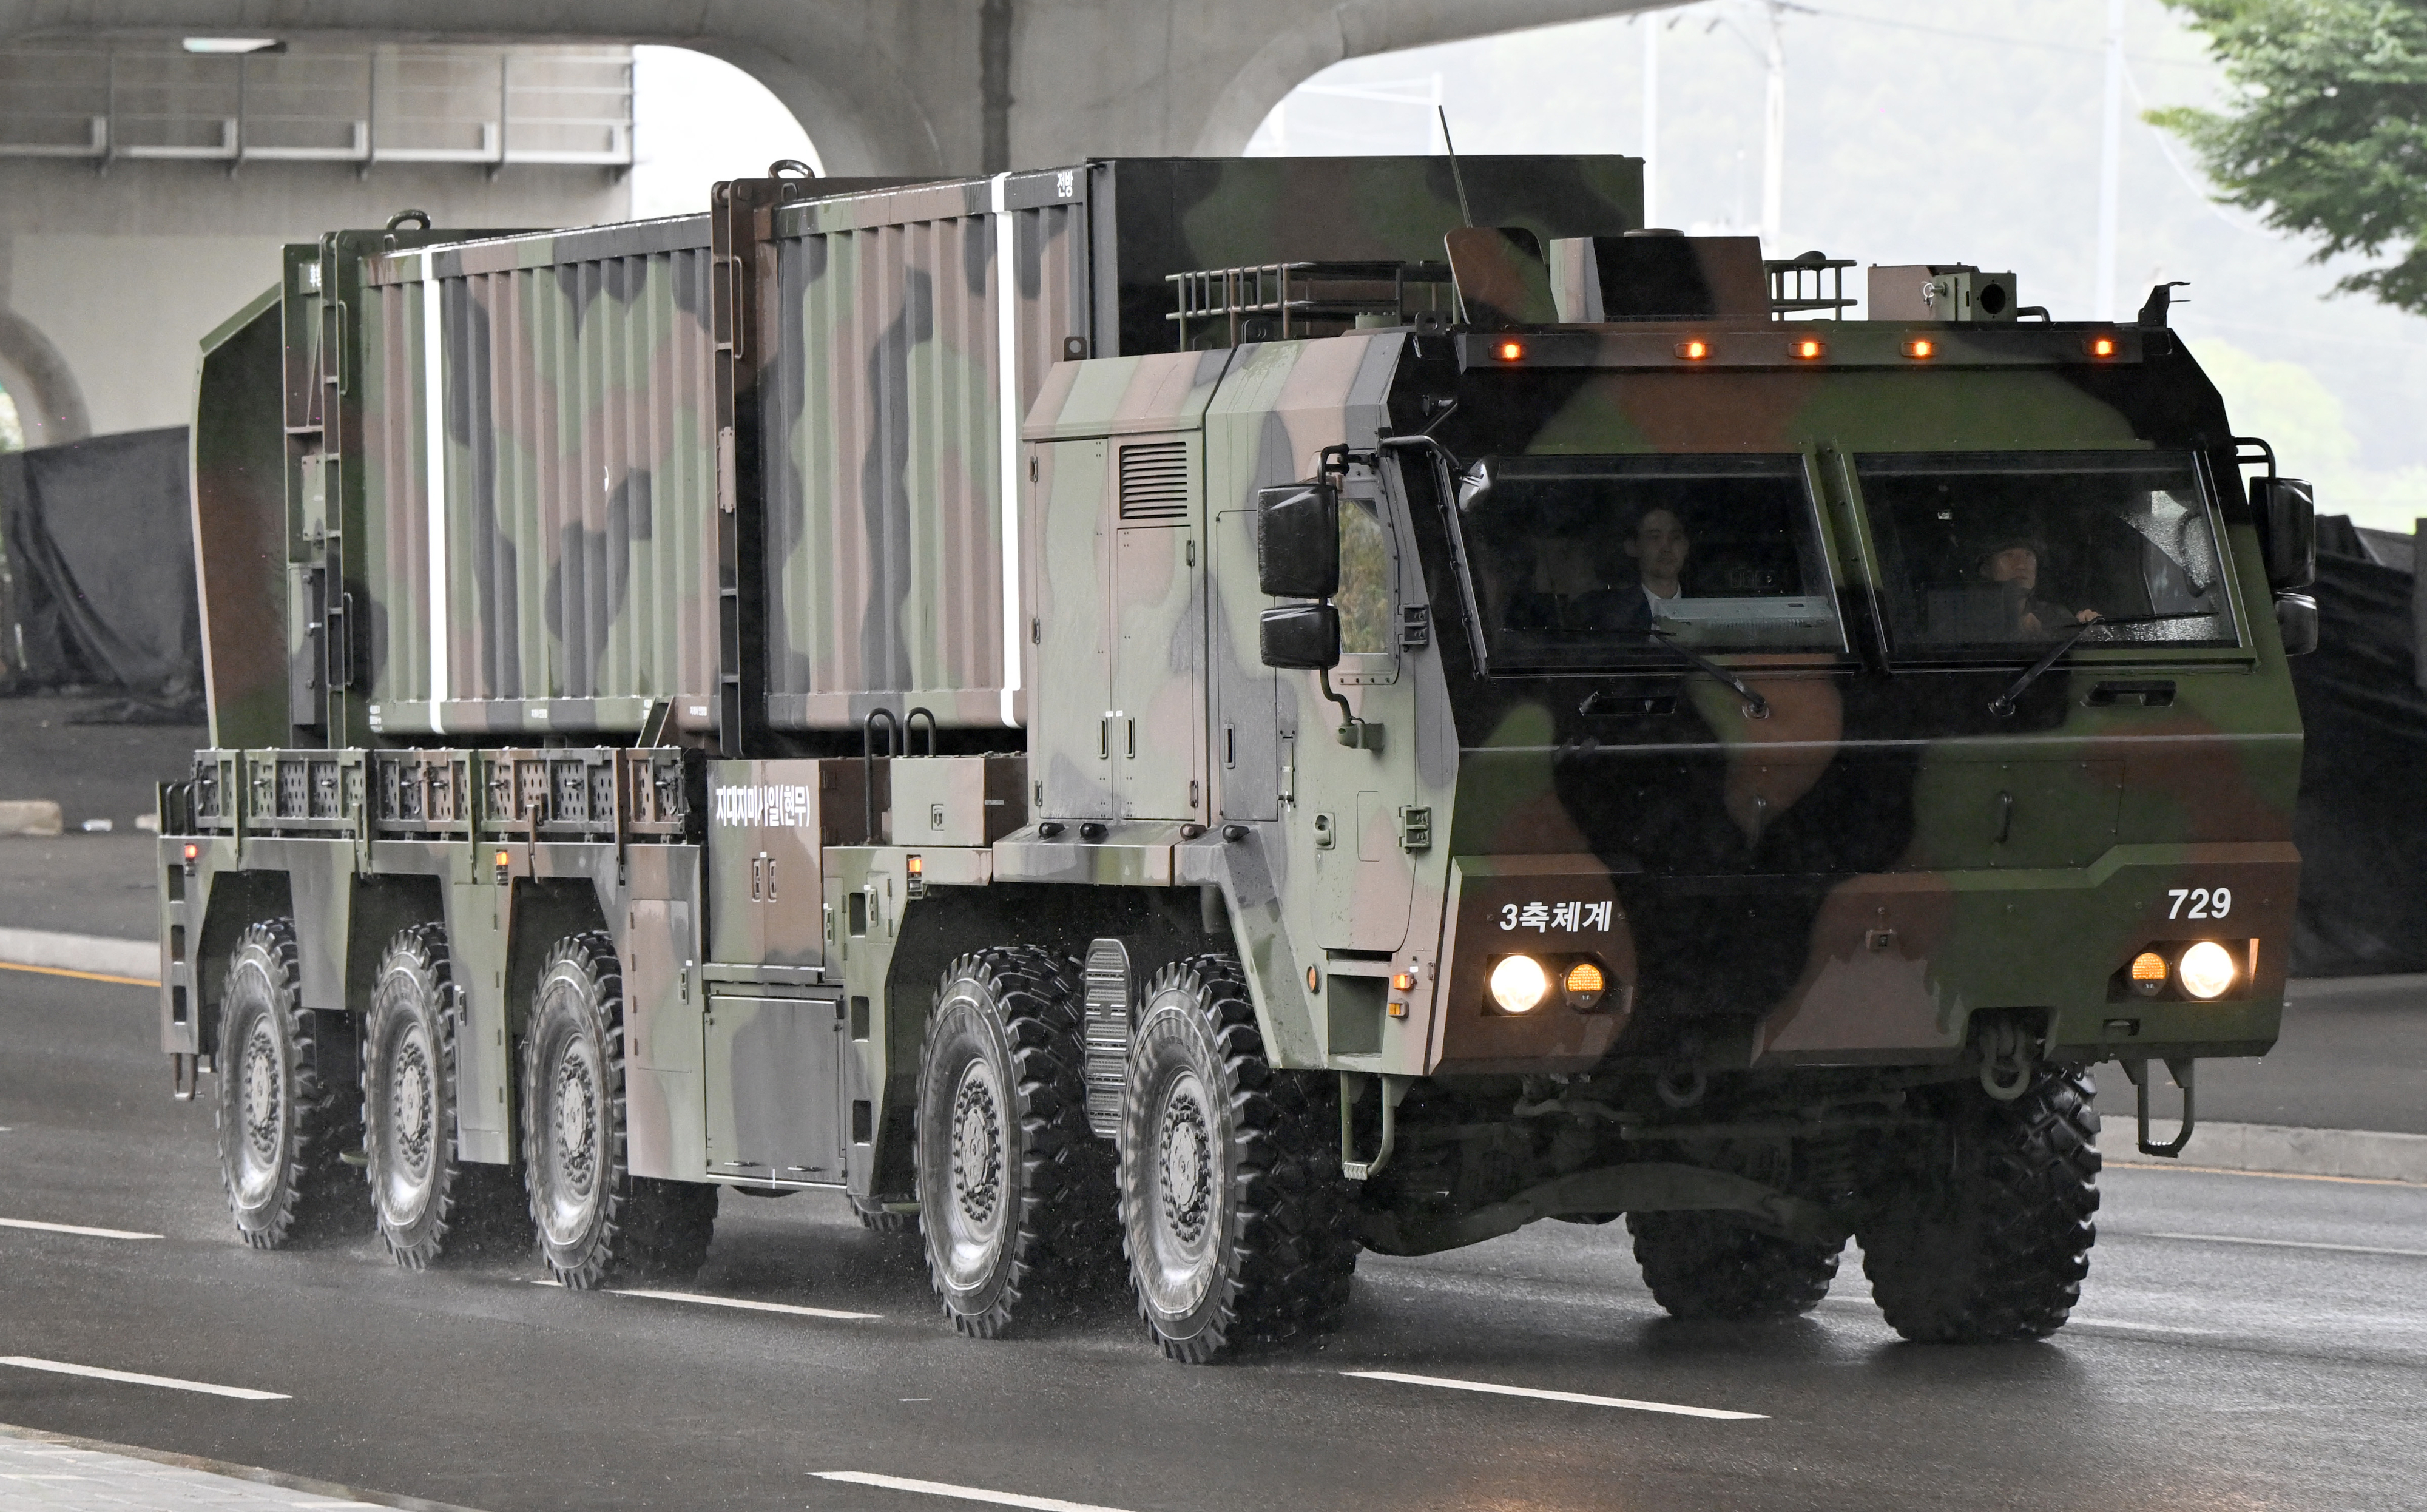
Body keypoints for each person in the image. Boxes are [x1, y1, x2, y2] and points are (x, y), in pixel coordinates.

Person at [1974, 535, 2098, 637]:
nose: (2021, 565)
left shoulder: (2055, 616)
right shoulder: (1969, 618)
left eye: (2028, 555)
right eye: (2009, 556)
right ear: (1986, 569)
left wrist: (2087, 631)